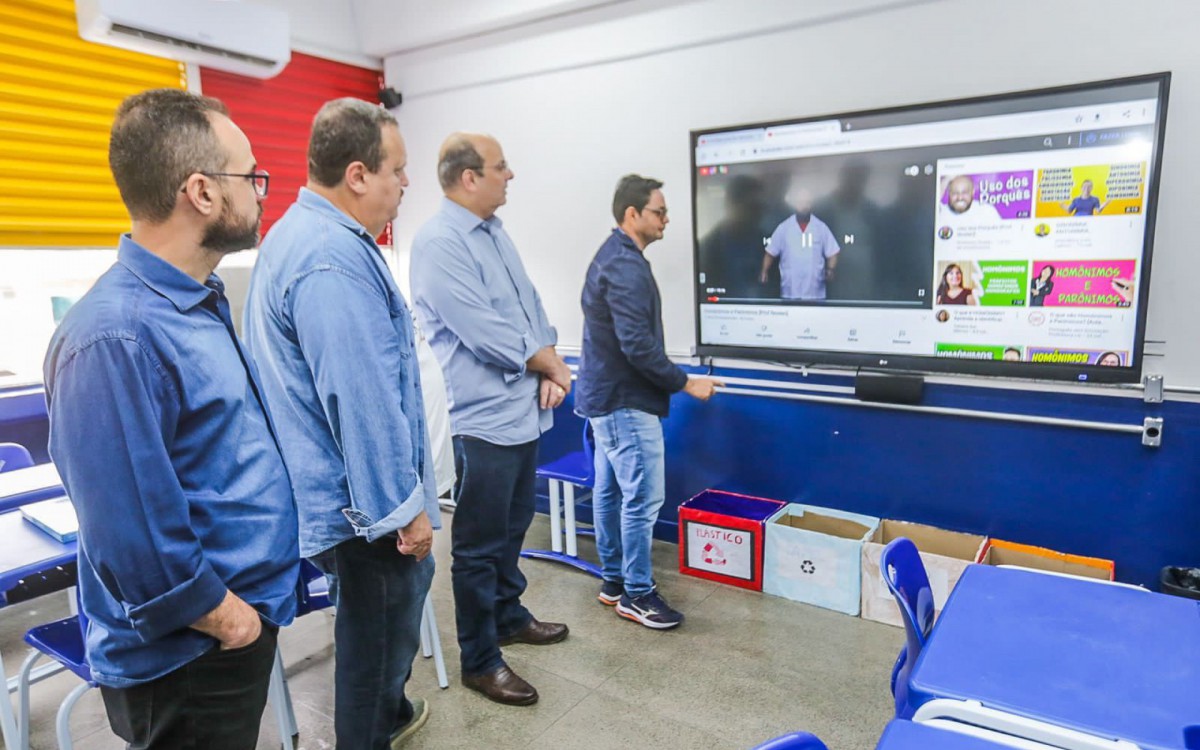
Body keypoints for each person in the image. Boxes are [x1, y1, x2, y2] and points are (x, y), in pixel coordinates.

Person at [43, 88, 299, 749]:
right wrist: (229, 620)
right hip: (190, 652)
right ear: (202, 193)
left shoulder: (196, 300)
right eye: (251, 176)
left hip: (227, 629)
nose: (263, 191)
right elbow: (130, 534)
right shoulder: (113, 336)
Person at [242, 98, 438, 749]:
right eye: (397, 170)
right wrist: (402, 508)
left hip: (342, 496)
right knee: (372, 651)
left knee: (377, 633)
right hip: (363, 507)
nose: (406, 183)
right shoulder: (330, 258)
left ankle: (384, 716)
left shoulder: (302, 236)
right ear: (357, 174)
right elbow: (360, 399)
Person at [410, 132, 570, 707]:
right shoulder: (438, 243)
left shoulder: (494, 235)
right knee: (478, 546)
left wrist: (550, 366)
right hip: (482, 420)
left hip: (523, 412)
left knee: (512, 529)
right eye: (500, 167)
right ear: (468, 177)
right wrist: (548, 362)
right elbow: (484, 331)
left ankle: (508, 615)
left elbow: (530, 309)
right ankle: (480, 658)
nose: (511, 175)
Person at [576, 175, 722, 629]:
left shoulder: (614, 257)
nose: (666, 219)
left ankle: (615, 582)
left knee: (612, 490)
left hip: (606, 398)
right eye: (659, 211)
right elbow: (637, 346)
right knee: (641, 497)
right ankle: (637, 594)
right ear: (632, 214)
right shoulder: (625, 266)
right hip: (624, 402)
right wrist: (686, 383)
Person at [760, 185, 840, 300]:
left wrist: (831, 270)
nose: (804, 206)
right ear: (796, 204)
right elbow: (770, 253)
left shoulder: (821, 228)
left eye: (807, 202)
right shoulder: (784, 228)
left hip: (815, 292)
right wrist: (764, 271)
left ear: (811, 204)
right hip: (790, 291)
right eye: (801, 202)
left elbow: (833, 252)